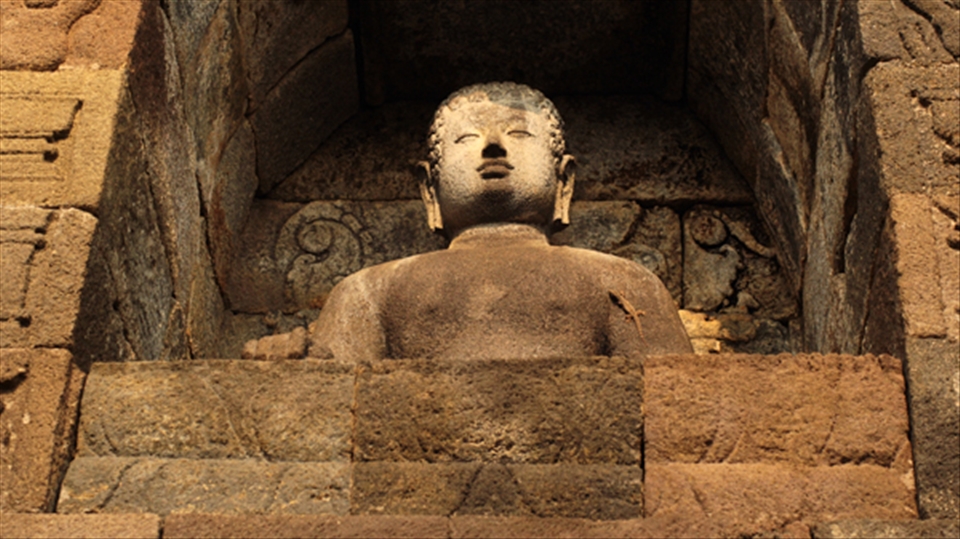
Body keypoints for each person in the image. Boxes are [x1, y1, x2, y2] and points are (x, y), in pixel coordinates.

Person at [243, 82, 692, 361]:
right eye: (466, 138)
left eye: (519, 134)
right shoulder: (368, 291)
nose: (494, 146)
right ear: (429, 187)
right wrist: (290, 367)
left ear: (564, 181)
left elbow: (677, 401)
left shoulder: (623, 281)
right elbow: (328, 398)